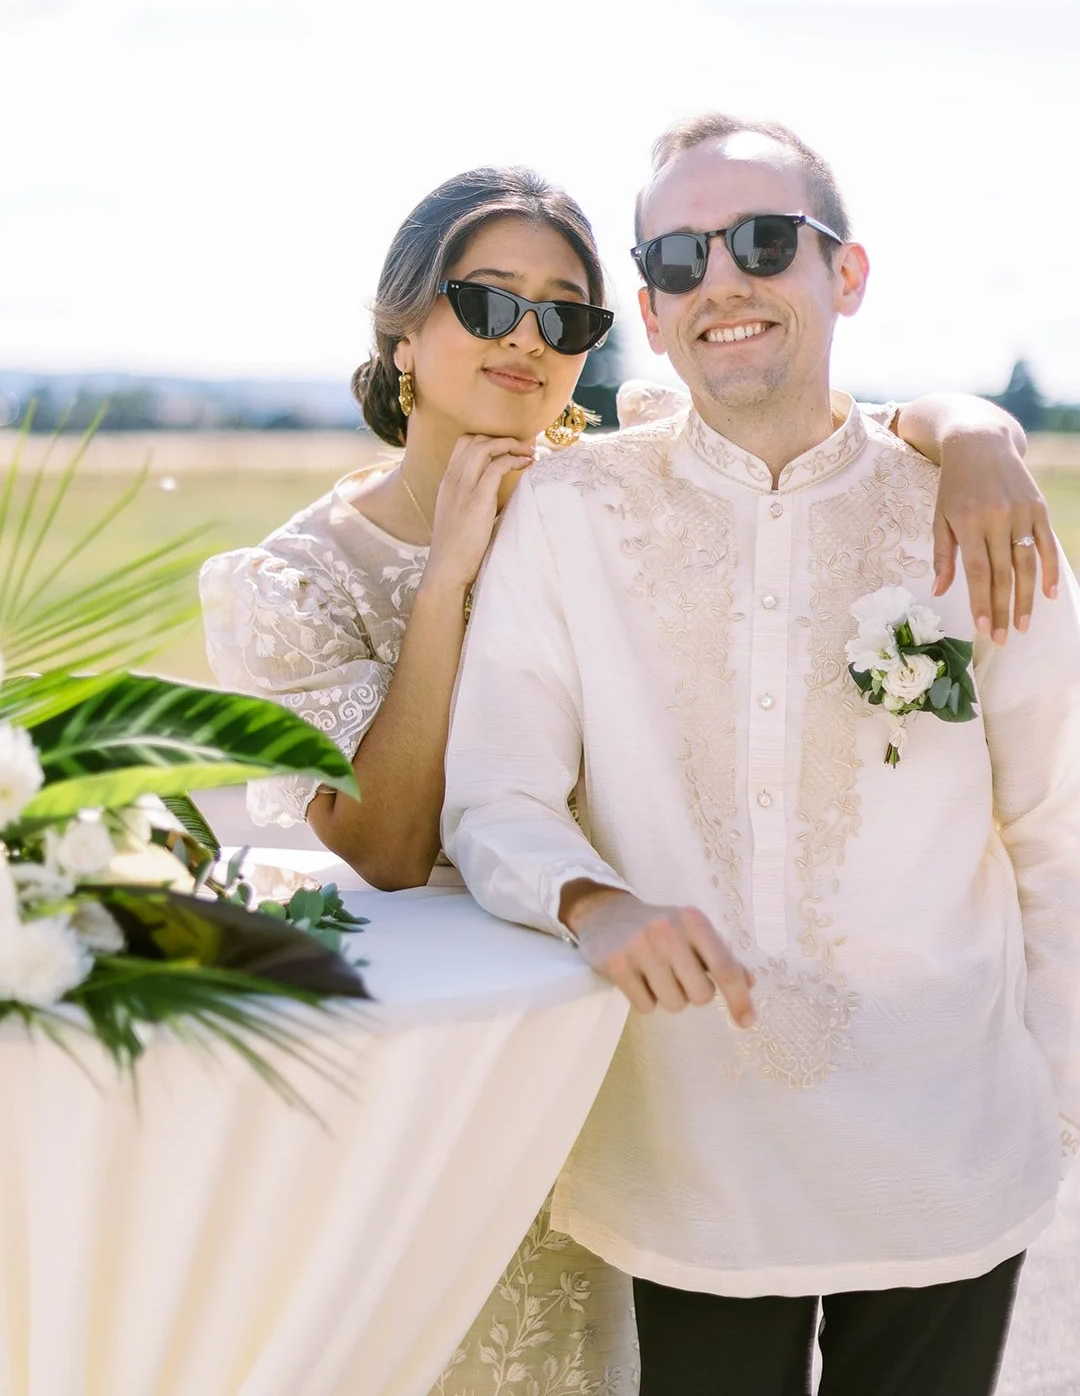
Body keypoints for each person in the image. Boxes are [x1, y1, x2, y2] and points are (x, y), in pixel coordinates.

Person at [201, 163, 1058, 1395]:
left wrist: (976, 426)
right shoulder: (298, 582)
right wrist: (448, 571)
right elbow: (393, 846)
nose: (529, 339)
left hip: (619, 1058)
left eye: (567, 313)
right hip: (456, 1050)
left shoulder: (624, 470)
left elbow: (807, 406)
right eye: (489, 304)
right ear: (404, 331)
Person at [441, 117, 1080, 1396]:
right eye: (679, 257)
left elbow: (1060, 822)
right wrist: (590, 897)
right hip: (692, 1156)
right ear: (651, 306)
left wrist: (1052, 1098)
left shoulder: (973, 511)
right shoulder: (574, 514)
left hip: (949, 1150)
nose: (721, 277)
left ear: (844, 276)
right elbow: (495, 792)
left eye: (765, 241)